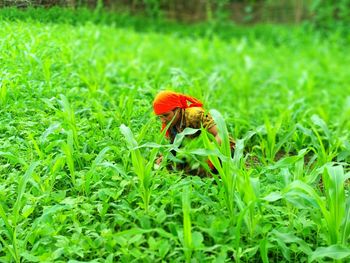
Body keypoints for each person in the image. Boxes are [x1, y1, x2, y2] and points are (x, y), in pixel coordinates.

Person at [153, 90, 234, 176]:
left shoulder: (195, 115)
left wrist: (207, 153)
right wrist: (164, 156)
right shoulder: (169, 124)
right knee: (172, 166)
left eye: (165, 115)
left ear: (177, 109)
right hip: (194, 155)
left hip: (220, 151)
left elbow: (221, 135)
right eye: (160, 117)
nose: (162, 120)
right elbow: (173, 146)